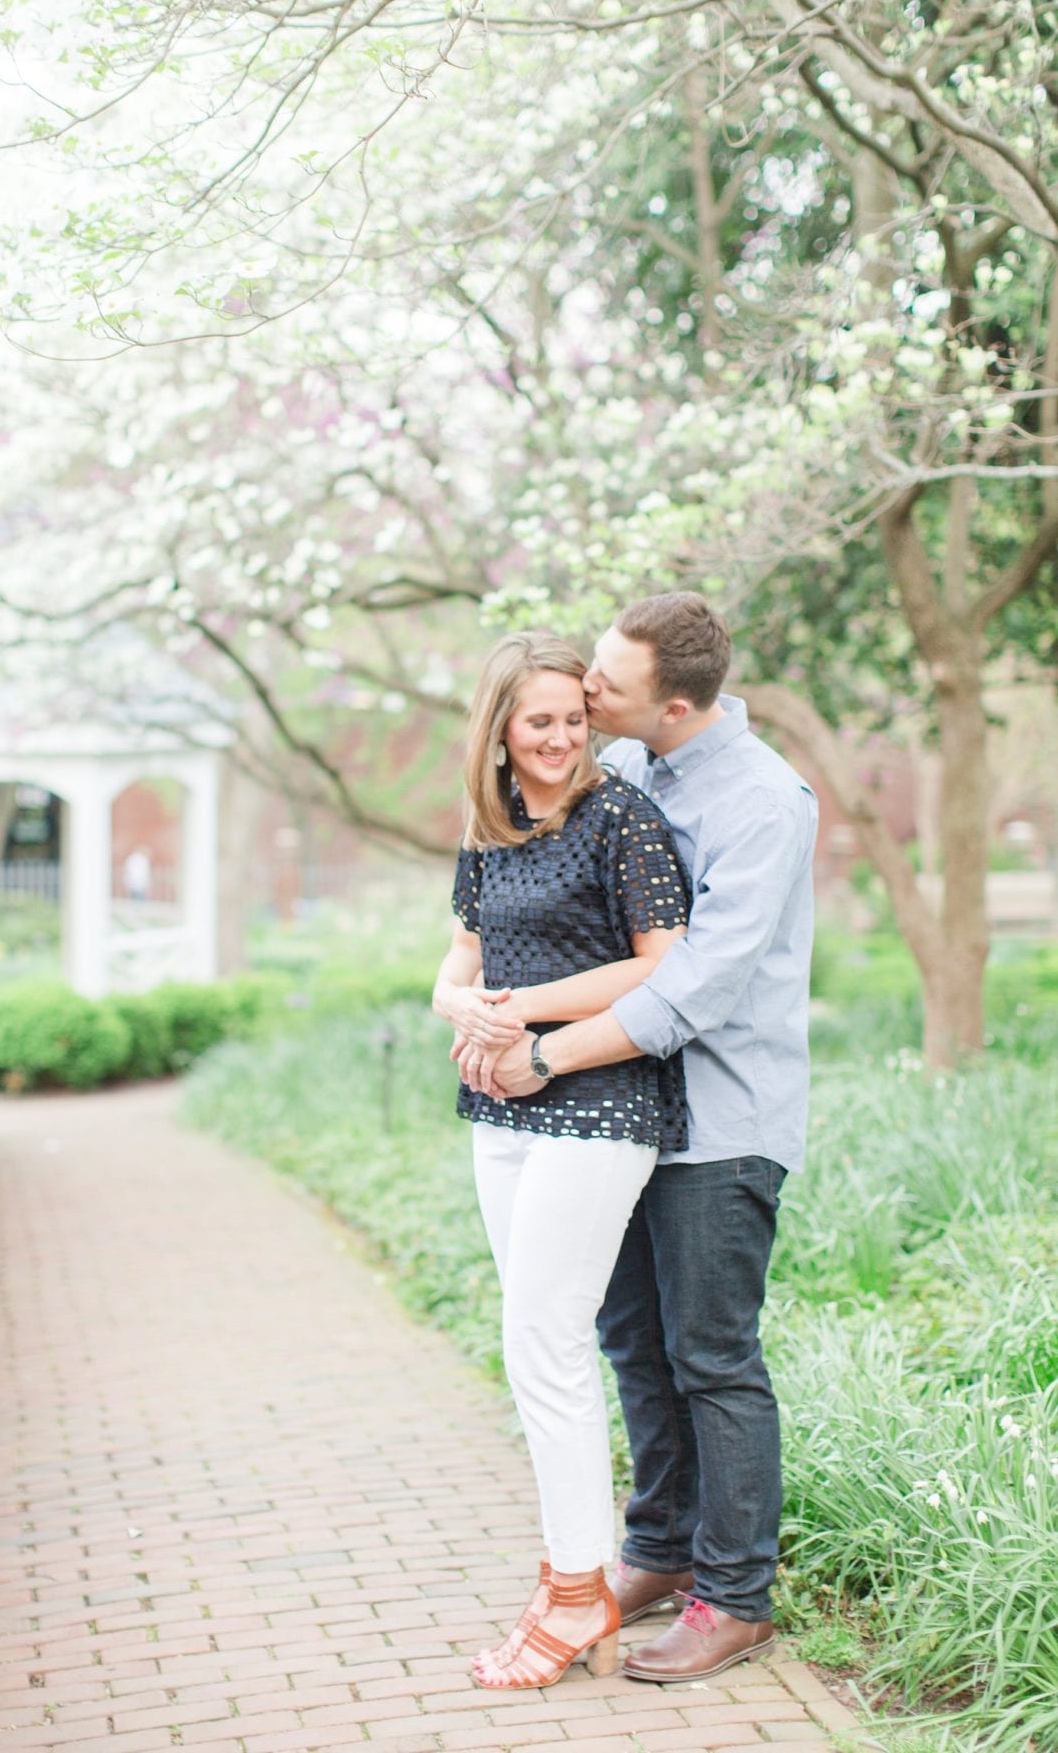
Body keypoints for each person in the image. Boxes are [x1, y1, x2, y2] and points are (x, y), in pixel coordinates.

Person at [463, 593, 817, 1685]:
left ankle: (736, 1594)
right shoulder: (640, 776)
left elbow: (694, 985)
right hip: (622, 1124)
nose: (589, 698)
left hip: (719, 1121)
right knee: (630, 1346)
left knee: (712, 1357)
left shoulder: (765, 802)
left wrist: (545, 1052)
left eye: (608, 687)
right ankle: (657, 1550)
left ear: (672, 704)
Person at [432, 629, 691, 1691]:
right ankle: (566, 1575)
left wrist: (515, 1009)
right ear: (499, 729)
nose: (560, 739)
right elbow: (457, 965)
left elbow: (662, 966)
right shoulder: (487, 833)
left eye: (573, 721)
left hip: (601, 1103)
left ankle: (581, 1590)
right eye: (538, 722)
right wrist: (466, 1008)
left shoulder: (619, 818)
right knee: (532, 1344)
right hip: (501, 1109)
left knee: (545, 1339)